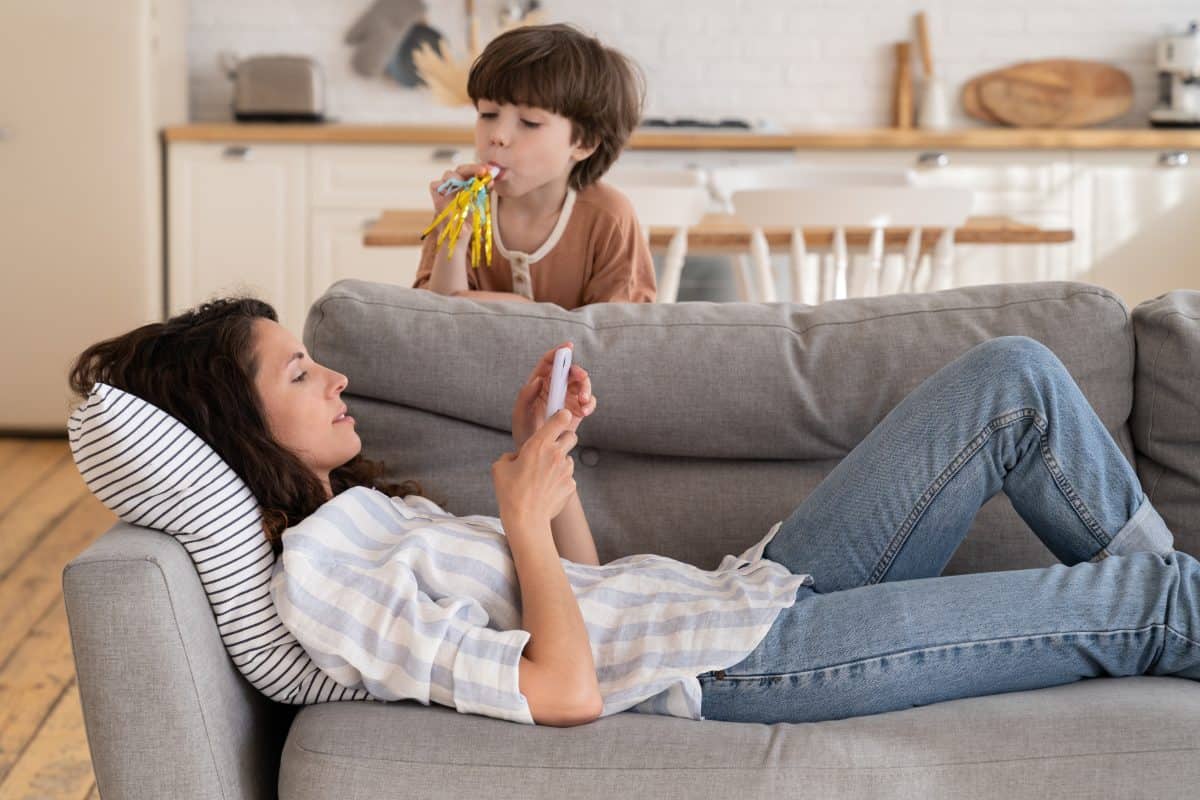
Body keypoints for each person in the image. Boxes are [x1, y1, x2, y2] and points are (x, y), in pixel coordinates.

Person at [69, 298, 1200, 729]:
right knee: (1146, 597)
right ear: (237, 424)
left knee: (1013, 377)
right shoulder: (317, 576)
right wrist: (518, 520)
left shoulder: (363, 519)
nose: (337, 382)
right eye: (300, 375)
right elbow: (565, 688)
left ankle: (1178, 636)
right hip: (745, 666)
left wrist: (540, 472)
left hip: (737, 593)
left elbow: (590, 594)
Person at [412, 23, 657, 310]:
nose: (498, 135)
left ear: (584, 143)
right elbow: (434, 322)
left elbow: (618, 333)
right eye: (488, 114)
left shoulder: (609, 218)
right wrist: (456, 233)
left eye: (529, 122)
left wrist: (523, 309)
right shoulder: (462, 208)